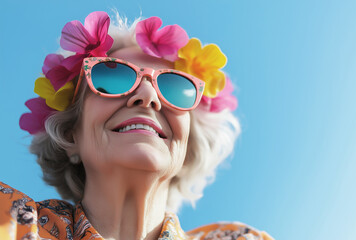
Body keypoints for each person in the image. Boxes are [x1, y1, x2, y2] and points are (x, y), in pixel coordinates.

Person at [1, 11, 273, 240]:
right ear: (71, 134)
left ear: (187, 146)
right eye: (113, 76)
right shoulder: (11, 221)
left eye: (175, 88)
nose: (148, 96)